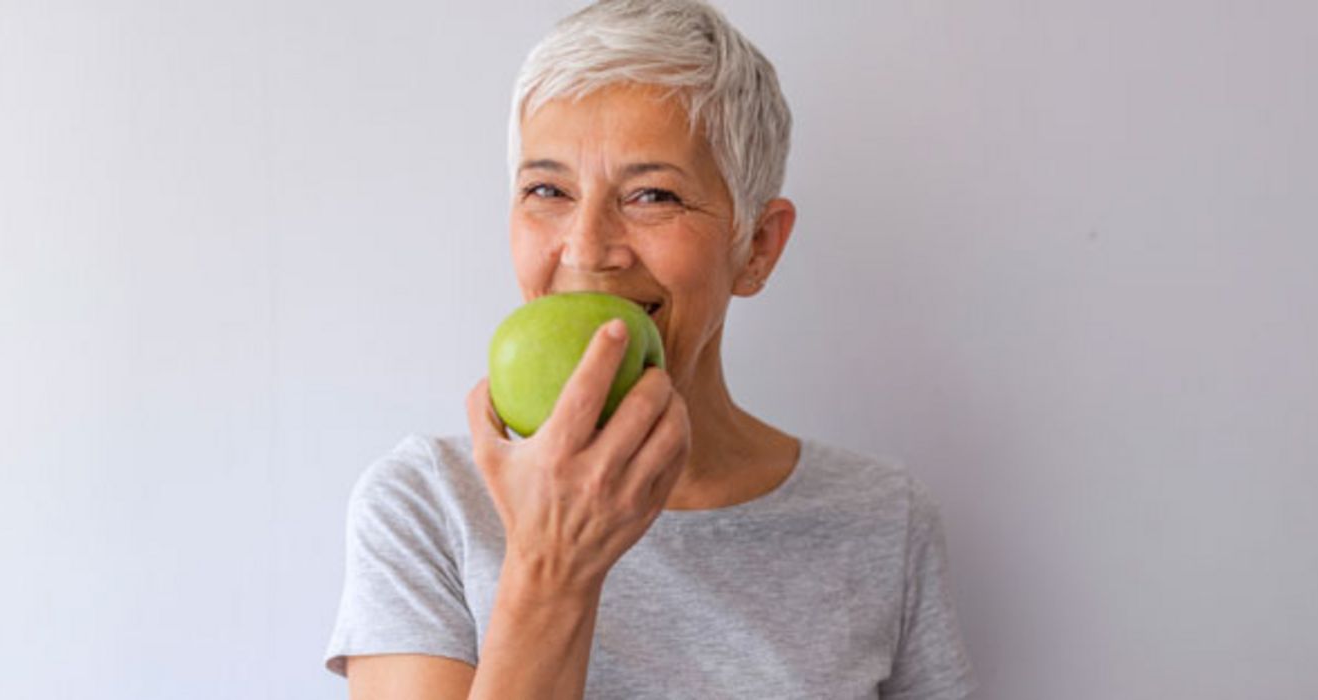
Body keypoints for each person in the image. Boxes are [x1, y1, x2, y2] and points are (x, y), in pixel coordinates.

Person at [323, 1, 977, 697]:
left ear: (756, 246)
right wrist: (553, 568)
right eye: (547, 189)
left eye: (652, 195)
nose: (586, 249)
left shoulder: (881, 520)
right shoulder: (427, 504)